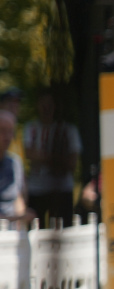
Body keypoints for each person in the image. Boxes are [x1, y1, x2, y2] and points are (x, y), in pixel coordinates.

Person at [22, 91, 79, 223]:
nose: (46, 108)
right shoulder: (31, 128)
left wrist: (42, 157)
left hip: (63, 189)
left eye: (49, 104)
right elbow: (29, 154)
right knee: (36, 227)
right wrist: (58, 158)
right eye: (43, 104)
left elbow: (72, 163)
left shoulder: (69, 130)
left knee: (65, 226)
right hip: (36, 188)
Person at [0, 112, 24, 220]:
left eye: (11, 131)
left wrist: (22, 216)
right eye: (3, 130)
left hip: (11, 228)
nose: (8, 136)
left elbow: (18, 198)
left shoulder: (15, 163)